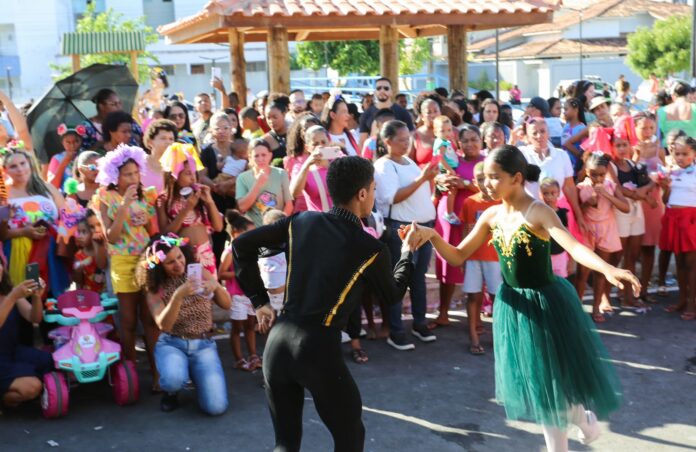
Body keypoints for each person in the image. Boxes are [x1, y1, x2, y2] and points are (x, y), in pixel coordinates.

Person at [407, 145, 639, 452]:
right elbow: (459, 255)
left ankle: (581, 423)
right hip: (515, 308)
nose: (485, 183)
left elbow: (572, 246)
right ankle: (582, 420)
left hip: (547, 306)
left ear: (516, 178)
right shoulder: (491, 214)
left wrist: (607, 268)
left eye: (494, 177)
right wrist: (432, 235)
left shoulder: (538, 211)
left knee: (550, 391)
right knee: (543, 390)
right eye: (484, 177)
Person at [233, 155, 417, 452]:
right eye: (372, 188)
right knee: (350, 438)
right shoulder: (370, 247)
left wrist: (260, 302)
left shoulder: (302, 221)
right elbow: (392, 295)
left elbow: (241, 245)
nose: (373, 195)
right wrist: (407, 253)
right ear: (361, 194)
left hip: (278, 343)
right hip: (316, 348)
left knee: (285, 444)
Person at [141, 234, 230, 414]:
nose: (178, 264)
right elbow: (163, 325)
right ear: (159, 266)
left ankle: (198, 377)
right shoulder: (154, 288)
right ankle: (171, 391)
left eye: (179, 257)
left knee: (216, 408)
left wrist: (216, 287)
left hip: (203, 344)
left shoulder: (198, 271)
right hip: (172, 344)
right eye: (170, 262)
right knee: (174, 378)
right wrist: (177, 297)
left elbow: (227, 304)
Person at [94, 144, 159, 389]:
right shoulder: (104, 197)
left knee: (150, 319)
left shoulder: (148, 194)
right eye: (127, 174)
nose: (133, 178)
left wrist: (146, 221)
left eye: (135, 173)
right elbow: (111, 236)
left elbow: (154, 232)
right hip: (121, 260)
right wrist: (123, 207)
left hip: (146, 258)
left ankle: (157, 375)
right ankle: (129, 378)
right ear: (115, 176)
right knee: (128, 321)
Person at [374, 120, 438, 350]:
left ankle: (419, 324)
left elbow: (419, 189)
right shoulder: (383, 166)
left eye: (407, 139)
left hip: (422, 227)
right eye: (401, 140)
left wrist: (430, 179)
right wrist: (422, 178)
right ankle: (396, 329)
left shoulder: (409, 161)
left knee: (418, 279)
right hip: (401, 229)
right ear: (387, 141)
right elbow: (394, 197)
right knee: (399, 279)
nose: (406, 143)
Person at [1, 147, 67, 345]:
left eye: (23, 163)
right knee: (24, 299)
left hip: (50, 256)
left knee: (51, 301)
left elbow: (67, 219)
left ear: (30, 163)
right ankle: (26, 349)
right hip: (16, 256)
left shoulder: (48, 189)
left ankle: (55, 348)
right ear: (5, 170)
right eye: (13, 166)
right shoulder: (4, 195)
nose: (20, 169)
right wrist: (23, 232)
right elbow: (1, 233)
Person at [428, 125, 483, 329]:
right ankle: (443, 313)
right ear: (458, 144)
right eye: (465, 140)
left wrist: (466, 184)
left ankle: (475, 318)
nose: (470, 144)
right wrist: (440, 179)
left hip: (476, 220)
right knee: (448, 263)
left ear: (481, 139)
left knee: (476, 266)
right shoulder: (452, 159)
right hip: (449, 219)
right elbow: (437, 176)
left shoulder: (487, 162)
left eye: (474, 139)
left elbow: (491, 187)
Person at [575, 152, 629, 322]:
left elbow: (625, 207)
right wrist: (588, 201)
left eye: (601, 174)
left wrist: (606, 194)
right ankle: (577, 308)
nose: (597, 178)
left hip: (606, 230)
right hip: (587, 231)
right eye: (593, 174)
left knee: (602, 271)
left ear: (606, 171)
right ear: (586, 171)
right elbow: (578, 211)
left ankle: (596, 308)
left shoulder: (611, 186)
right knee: (582, 273)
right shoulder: (580, 187)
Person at [157, 143, 223, 277]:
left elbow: (218, 227)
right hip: (182, 256)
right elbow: (165, 233)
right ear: (173, 176)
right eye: (188, 173)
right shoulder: (164, 199)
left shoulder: (200, 195)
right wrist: (186, 209)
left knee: (209, 294)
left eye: (194, 173)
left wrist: (209, 201)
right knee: (191, 294)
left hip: (205, 253)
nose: (193, 178)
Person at [609, 116, 654, 309]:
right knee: (617, 255)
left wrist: (643, 194)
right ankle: (608, 294)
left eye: (624, 144)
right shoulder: (610, 165)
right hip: (621, 211)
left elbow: (648, 182)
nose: (621, 148)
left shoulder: (632, 163)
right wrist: (644, 197)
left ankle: (628, 294)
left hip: (636, 211)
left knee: (632, 255)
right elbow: (620, 189)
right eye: (617, 145)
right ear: (611, 146)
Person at [459, 161, 500, 354]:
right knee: (473, 296)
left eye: (488, 178)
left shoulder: (501, 202)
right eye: (481, 179)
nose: (485, 183)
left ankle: (499, 337)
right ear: (475, 181)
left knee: (496, 298)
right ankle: (474, 337)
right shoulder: (470, 202)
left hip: (495, 258)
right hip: (474, 257)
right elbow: (466, 230)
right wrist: (462, 256)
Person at [657, 136, 696, 319]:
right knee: (680, 262)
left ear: (694, 153)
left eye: (685, 154)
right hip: (673, 217)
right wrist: (667, 188)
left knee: (691, 264)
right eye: (677, 153)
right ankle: (681, 300)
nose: (680, 157)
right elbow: (666, 201)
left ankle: (691, 304)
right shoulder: (671, 172)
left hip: (691, 220)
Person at [0, 268, 51, 409]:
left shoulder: (10, 292)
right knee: (33, 386)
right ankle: (5, 400)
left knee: (49, 361)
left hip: (11, 352)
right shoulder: (12, 295)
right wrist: (12, 297)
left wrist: (36, 297)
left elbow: (34, 317)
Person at [217, 210, 260, 372]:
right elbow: (221, 274)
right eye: (248, 233)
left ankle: (253, 355)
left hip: (250, 293)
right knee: (237, 327)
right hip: (236, 295)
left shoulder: (251, 250)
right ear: (235, 234)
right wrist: (239, 272)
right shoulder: (229, 252)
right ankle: (239, 358)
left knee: (250, 324)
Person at [633, 111, 665, 304]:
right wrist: (638, 154)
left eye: (651, 127)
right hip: (635, 203)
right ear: (635, 128)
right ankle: (628, 291)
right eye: (643, 127)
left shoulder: (660, 149)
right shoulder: (629, 149)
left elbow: (664, 174)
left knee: (649, 249)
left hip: (654, 204)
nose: (647, 131)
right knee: (632, 249)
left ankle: (643, 289)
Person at [236, 139, 293, 227]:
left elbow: (289, 205)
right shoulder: (242, 178)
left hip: (278, 227)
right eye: (256, 156)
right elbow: (242, 207)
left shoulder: (281, 173)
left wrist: (280, 225)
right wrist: (258, 183)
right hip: (255, 229)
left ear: (270, 155)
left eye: (264, 155)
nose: (260, 159)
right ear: (250, 157)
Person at [289, 126, 336, 212]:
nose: (320, 147)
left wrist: (328, 166)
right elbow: (294, 193)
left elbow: (349, 184)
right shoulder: (300, 166)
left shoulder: (338, 158)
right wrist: (307, 165)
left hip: (342, 218)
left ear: (329, 142)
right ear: (308, 148)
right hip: (318, 220)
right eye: (315, 144)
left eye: (323, 142)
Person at [358, 77, 415, 147]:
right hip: (374, 155)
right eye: (379, 88)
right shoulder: (366, 114)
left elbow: (411, 137)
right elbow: (362, 141)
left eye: (386, 88)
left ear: (391, 92)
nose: (382, 91)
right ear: (375, 92)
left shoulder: (403, 113)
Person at [432, 116, 461, 224]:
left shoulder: (444, 141)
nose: (447, 133)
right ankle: (449, 213)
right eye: (442, 131)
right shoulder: (441, 143)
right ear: (435, 132)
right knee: (452, 190)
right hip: (446, 169)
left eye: (449, 130)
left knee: (441, 193)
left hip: (447, 168)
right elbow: (441, 159)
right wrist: (450, 170)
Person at [539, 178, 570, 278]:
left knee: (560, 282)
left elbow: (568, 236)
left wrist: (572, 259)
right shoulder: (538, 213)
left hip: (560, 255)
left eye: (553, 193)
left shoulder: (563, 213)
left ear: (558, 193)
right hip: (544, 256)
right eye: (545, 193)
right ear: (541, 194)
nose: (549, 197)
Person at [72, 213, 107, 293]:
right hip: (89, 296)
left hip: (106, 296)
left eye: (84, 232)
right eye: (79, 232)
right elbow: (78, 281)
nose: (80, 236)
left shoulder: (102, 251)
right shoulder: (79, 256)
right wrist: (78, 271)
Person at [142, 119, 178, 193]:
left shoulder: (177, 167)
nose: (168, 142)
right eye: (163, 138)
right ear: (150, 142)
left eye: (171, 139)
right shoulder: (139, 163)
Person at [47, 124, 86, 191]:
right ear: (62, 143)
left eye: (76, 141)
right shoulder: (57, 159)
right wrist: (64, 162)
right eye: (68, 142)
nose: (72, 145)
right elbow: (53, 186)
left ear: (81, 141)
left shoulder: (85, 156)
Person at [410, 98, 441, 168]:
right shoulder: (415, 136)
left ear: (440, 112)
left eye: (435, 111)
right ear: (422, 116)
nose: (433, 115)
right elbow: (409, 164)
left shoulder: (453, 132)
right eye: (429, 112)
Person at [561, 98, 587, 174]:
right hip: (564, 166)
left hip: (575, 168)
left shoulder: (582, 128)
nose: (564, 112)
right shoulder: (566, 126)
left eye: (566, 109)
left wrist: (569, 146)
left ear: (576, 110)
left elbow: (583, 151)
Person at [263, 96, 291, 162]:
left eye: (275, 117)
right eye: (268, 118)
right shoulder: (265, 140)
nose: (271, 121)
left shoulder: (294, 134)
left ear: (284, 114)